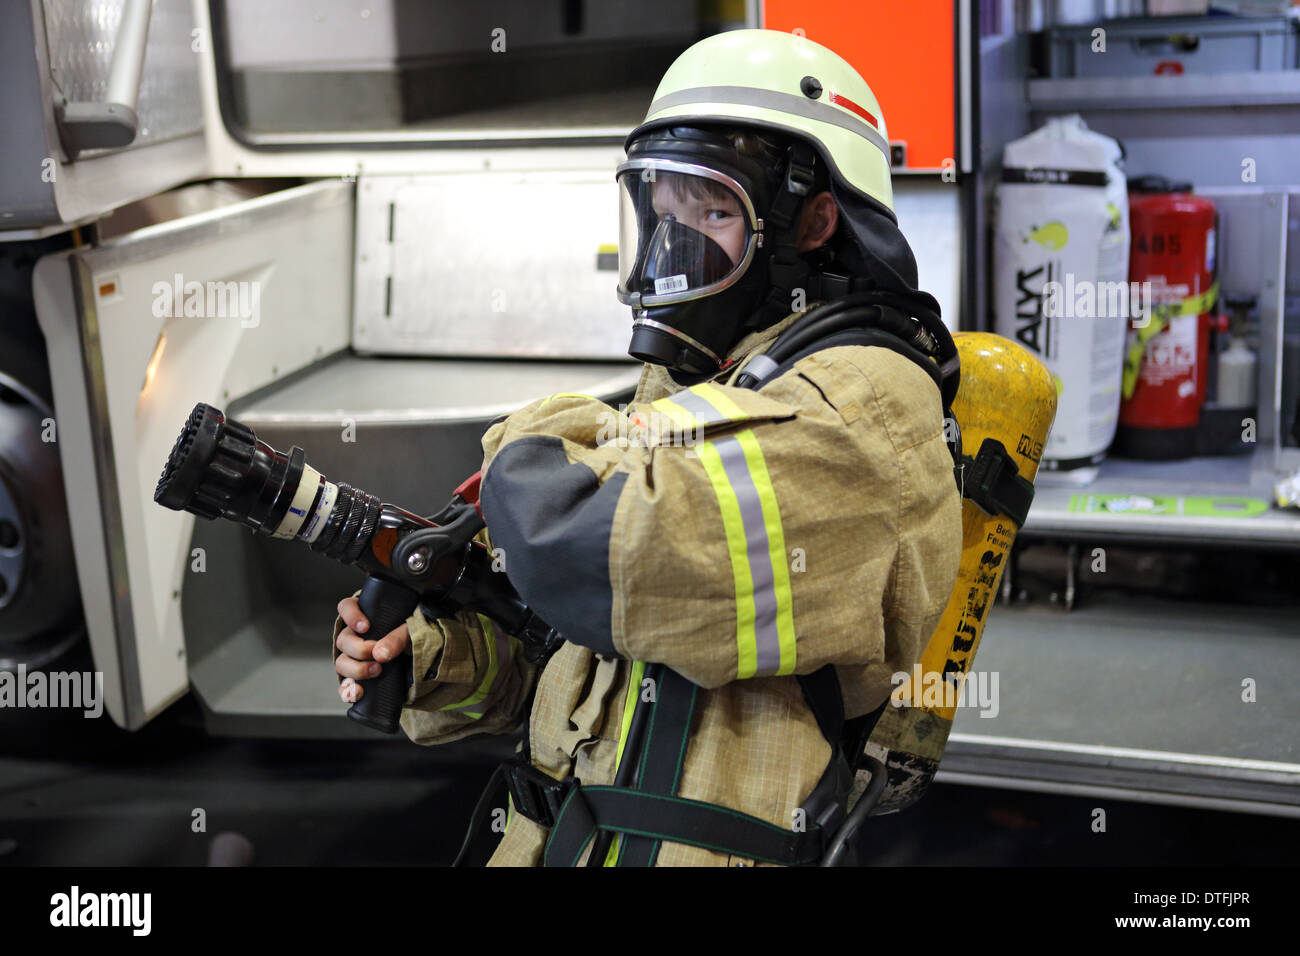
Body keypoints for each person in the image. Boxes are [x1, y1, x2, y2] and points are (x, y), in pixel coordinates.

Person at [332, 28, 962, 867]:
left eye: (713, 210)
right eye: (663, 210)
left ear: (812, 221)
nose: (676, 247)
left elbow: (603, 556)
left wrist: (539, 429)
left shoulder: (865, 403)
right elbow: (580, 651)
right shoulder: (706, 386)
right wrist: (437, 658)